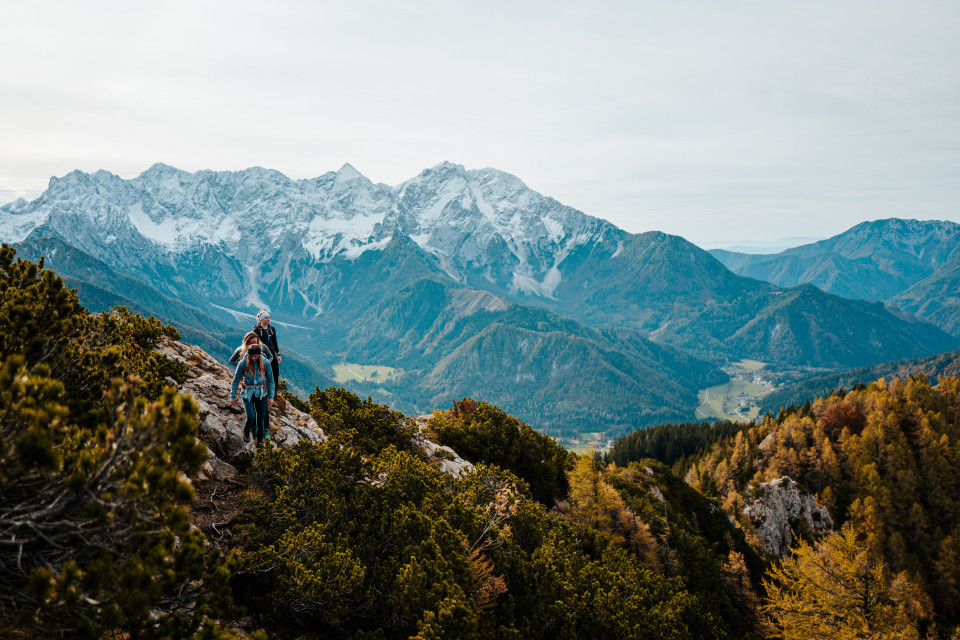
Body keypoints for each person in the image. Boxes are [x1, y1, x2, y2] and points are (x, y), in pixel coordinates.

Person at [230, 343, 275, 446]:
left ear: (259, 354)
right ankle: (247, 430)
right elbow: (235, 380)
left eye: (256, 356)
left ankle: (260, 445)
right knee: (251, 416)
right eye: (252, 356)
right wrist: (233, 396)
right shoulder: (243, 363)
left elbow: (271, 380)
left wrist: (271, 397)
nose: (254, 358)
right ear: (249, 355)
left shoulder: (266, 363)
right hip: (247, 392)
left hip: (261, 393)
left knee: (260, 421)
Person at [253, 311, 281, 385]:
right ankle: (264, 392)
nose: (268, 319)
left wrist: (278, 354)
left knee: (275, 374)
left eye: (269, 318)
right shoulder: (257, 330)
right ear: (261, 319)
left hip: (272, 355)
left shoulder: (272, 329)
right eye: (266, 318)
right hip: (262, 356)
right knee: (264, 374)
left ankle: (273, 394)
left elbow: (275, 341)